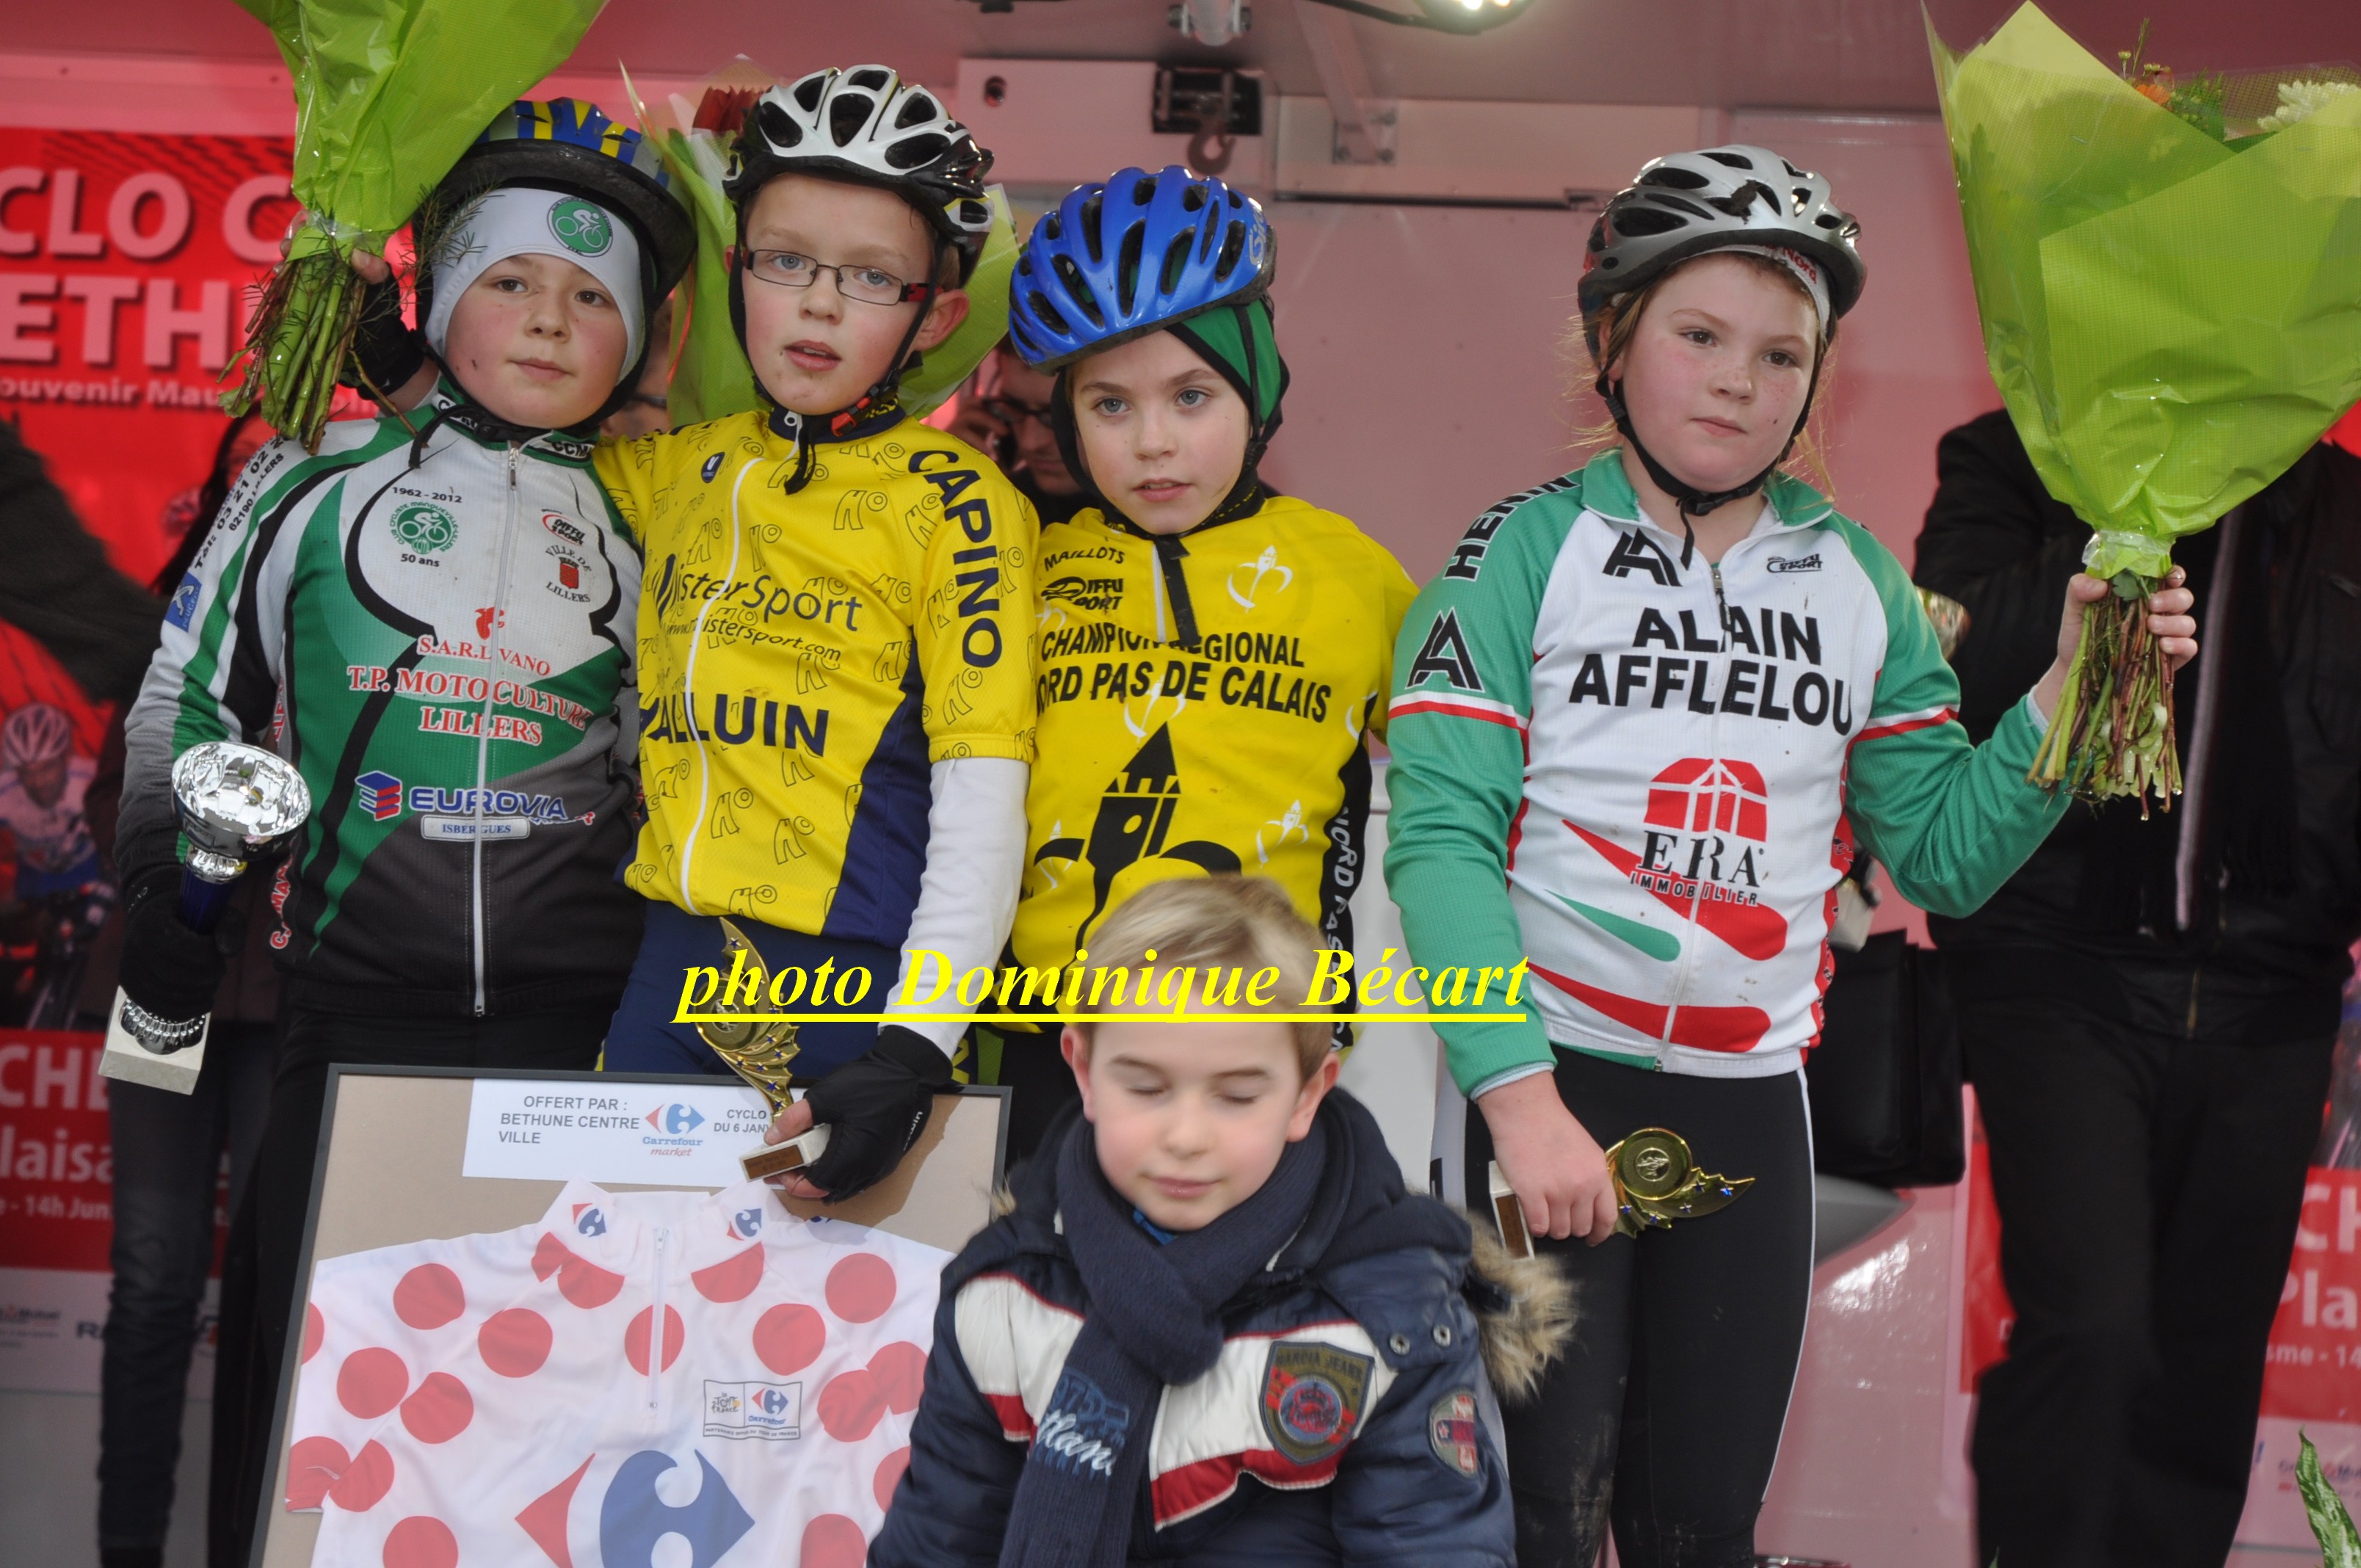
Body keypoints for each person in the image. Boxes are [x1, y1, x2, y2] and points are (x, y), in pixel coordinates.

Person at [1380, 145, 2199, 1567]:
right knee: (1534, 1525)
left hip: (1752, 1104)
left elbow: (1942, 856)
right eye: (1699, 337)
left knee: (1703, 1530)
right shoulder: (1518, 552)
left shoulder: (1861, 583)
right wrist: (1518, 1101)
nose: (1738, 382)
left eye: (1780, 355)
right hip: (1553, 1081)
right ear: (1613, 341)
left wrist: (2073, 689)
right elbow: (1441, 842)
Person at [112, 98, 694, 1568]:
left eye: (593, 298)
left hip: (582, 1050)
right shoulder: (315, 479)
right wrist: (169, 900)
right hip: (350, 1030)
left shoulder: (667, 519)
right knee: (315, 1445)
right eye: (513, 280)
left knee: (541, 1454)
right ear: (438, 294)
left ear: (641, 338)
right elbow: (189, 696)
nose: (549, 322)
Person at [1915, 408, 2361, 1568]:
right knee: (2093, 1327)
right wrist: (2115, 530)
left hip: (2274, 994)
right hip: (2054, 965)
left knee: (2206, 1369)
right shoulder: (2018, 454)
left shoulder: (2345, 509)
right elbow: (1937, 662)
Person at [587, 65, 1039, 1205]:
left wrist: (917, 1046)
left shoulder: (961, 502)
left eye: (872, 277)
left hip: (853, 993)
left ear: (937, 316)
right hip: (668, 969)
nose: (821, 306)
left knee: (821, 1316)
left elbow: (985, 798)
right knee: (618, 1289)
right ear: (736, 270)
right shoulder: (677, 469)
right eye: (785, 261)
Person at [871, 875, 1569, 1568]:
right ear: (1083, 1070)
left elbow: (1436, 1546)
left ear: (1307, 1096)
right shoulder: (1002, 1294)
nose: (1186, 1136)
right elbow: (937, 1539)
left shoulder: (1393, 1315)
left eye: (1235, 1096)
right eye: (1145, 1086)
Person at [974, 164, 1416, 1162]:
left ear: (1257, 387)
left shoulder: (1353, 573)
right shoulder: (1026, 569)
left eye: (1191, 395)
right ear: (1066, 419)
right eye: (1109, 405)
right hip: (1054, 1043)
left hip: (1265, 1039)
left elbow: (1477, 787)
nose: (1154, 443)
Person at [84, 413, 279, 1568]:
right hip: (165, 988)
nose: (278, 486)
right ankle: (126, 1548)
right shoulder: (172, 635)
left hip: (292, 998)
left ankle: (245, 1544)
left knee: (266, 1282)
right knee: (155, 1274)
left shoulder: (369, 622)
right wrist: (180, 856)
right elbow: (112, 797)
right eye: (255, 471)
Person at [944, 338, 1089, 524]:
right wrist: (947, 487)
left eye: (1059, 416)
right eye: (1014, 407)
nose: (1030, 443)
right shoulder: (1003, 502)